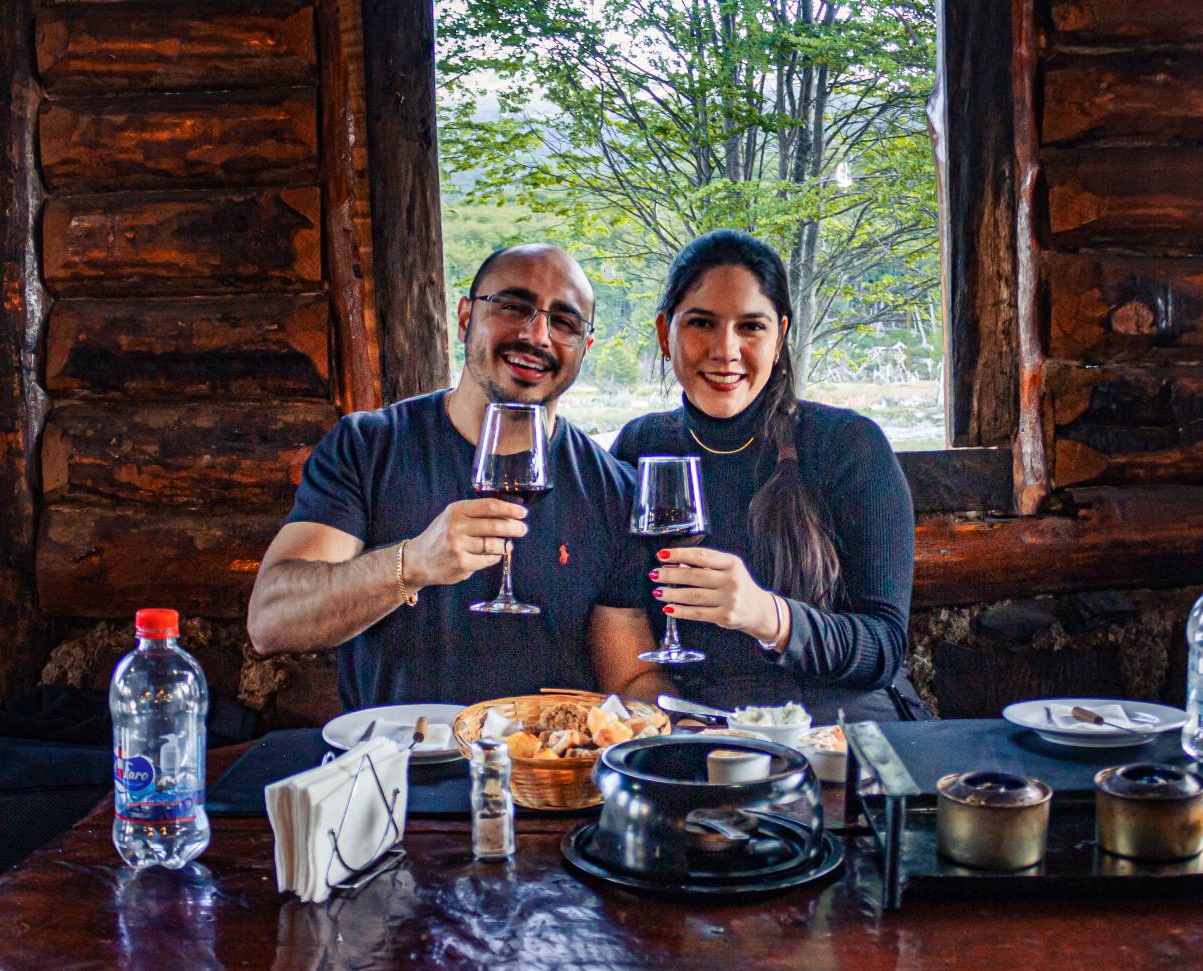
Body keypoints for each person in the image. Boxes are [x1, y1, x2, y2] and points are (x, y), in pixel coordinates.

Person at [247, 244, 670, 709]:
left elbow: (629, 676)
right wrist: (411, 565)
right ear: (466, 317)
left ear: (583, 349)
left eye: (564, 323)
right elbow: (271, 622)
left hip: (550, 755)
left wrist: (684, 722)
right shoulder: (367, 446)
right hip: (398, 753)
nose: (537, 335)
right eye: (513, 307)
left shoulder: (614, 490)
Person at [611, 230, 923, 723]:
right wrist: (681, 723)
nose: (725, 350)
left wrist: (767, 615)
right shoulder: (640, 445)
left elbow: (883, 648)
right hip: (701, 721)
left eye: (750, 327)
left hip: (841, 718)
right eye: (701, 323)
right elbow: (622, 624)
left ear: (779, 337)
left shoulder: (848, 443)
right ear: (664, 333)